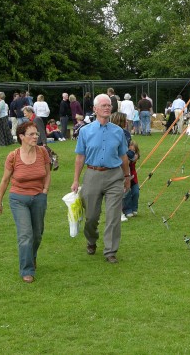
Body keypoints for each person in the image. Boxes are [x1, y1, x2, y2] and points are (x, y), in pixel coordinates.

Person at [72, 94, 131, 264]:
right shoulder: (85, 131)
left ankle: (110, 251)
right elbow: (80, 158)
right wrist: (76, 180)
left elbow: (124, 157)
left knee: (113, 216)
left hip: (114, 176)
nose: (107, 107)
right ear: (95, 109)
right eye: (103, 105)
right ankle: (91, 240)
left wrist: (127, 177)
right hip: (92, 175)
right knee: (91, 217)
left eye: (109, 105)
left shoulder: (118, 131)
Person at [0, 121, 51, 284]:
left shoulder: (42, 152)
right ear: (21, 137)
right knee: (25, 234)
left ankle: (31, 257)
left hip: (39, 197)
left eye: (36, 134)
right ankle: (27, 270)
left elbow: (47, 174)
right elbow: (5, 180)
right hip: (18, 199)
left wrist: (45, 191)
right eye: (31, 134)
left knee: (37, 234)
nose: (35, 137)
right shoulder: (13, 156)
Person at [122, 140, 140, 218]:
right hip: (126, 177)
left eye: (133, 151)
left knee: (136, 192)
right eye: (130, 150)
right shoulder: (125, 157)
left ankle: (134, 208)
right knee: (127, 194)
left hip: (133, 177)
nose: (132, 152)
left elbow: (134, 158)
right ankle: (127, 210)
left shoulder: (135, 156)